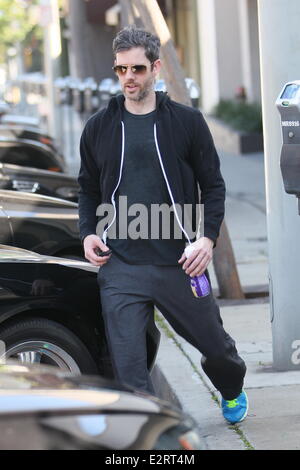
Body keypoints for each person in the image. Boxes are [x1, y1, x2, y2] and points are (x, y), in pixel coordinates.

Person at [78, 26, 248, 424]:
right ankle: (152, 434)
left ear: (156, 68)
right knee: (130, 370)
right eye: (121, 69)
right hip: (121, 266)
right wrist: (87, 232)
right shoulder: (99, 127)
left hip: (180, 262)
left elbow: (214, 186)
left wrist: (207, 240)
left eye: (137, 68)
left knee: (218, 349)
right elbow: (87, 189)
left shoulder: (185, 123)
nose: (128, 78)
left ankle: (232, 388)